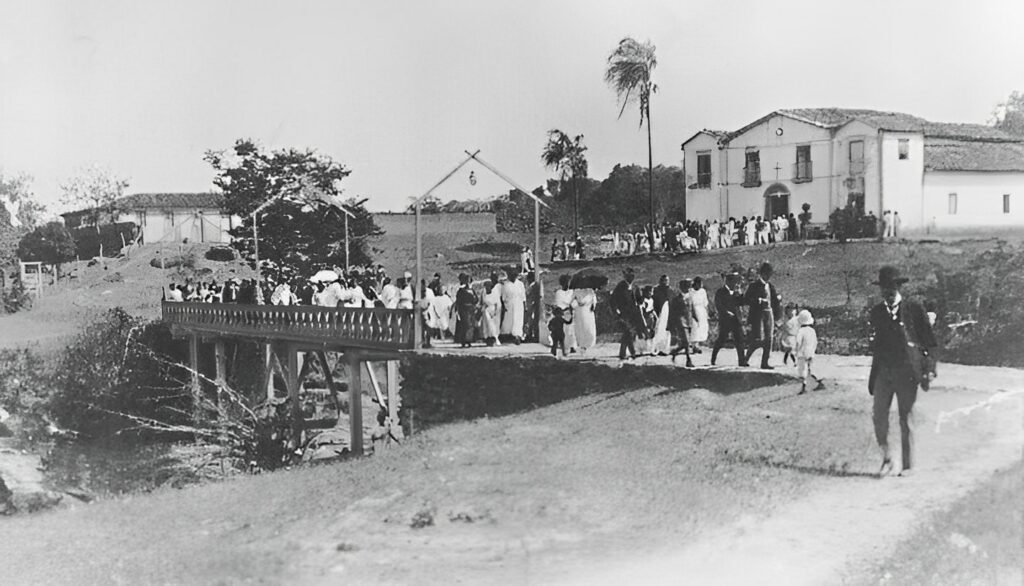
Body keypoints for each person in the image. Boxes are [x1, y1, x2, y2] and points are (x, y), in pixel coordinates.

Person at [868, 266, 937, 477]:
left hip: (906, 373)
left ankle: (907, 466)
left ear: (898, 287)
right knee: (879, 416)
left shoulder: (913, 309)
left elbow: (929, 341)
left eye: (891, 287)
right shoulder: (877, 312)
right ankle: (887, 458)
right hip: (883, 372)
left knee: (905, 418)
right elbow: (876, 343)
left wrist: (929, 369)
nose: (887, 291)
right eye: (884, 288)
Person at [744, 262, 782, 369]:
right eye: (767, 274)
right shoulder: (754, 286)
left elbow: (775, 302)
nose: (769, 276)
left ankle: (764, 362)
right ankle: (746, 358)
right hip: (758, 315)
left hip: (769, 314)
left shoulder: (770, 286)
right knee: (758, 339)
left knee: (769, 339)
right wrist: (759, 300)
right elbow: (746, 299)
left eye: (770, 274)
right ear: (762, 274)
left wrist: (778, 312)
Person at [711, 273, 748, 366]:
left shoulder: (736, 292)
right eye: (733, 282)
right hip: (725, 320)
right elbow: (718, 305)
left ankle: (742, 361)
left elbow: (742, 302)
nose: (735, 284)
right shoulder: (720, 292)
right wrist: (726, 312)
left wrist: (740, 294)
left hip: (736, 320)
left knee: (740, 339)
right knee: (721, 339)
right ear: (728, 282)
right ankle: (713, 358)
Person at [610, 268, 642, 360]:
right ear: (625, 277)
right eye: (629, 276)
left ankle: (627, 353)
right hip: (623, 313)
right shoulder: (620, 287)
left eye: (632, 276)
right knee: (628, 332)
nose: (631, 278)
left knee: (629, 333)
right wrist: (615, 310)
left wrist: (640, 303)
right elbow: (613, 300)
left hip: (633, 314)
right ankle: (630, 353)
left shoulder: (635, 287)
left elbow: (640, 299)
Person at [793, 309, 825, 394]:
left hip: (802, 353)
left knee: (802, 370)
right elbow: (815, 341)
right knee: (811, 369)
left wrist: (795, 351)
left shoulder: (801, 331)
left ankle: (804, 387)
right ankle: (819, 382)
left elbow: (798, 342)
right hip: (810, 352)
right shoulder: (812, 331)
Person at [668, 279, 694, 367]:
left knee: (685, 343)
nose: (688, 288)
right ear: (681, 288)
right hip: (680, 321)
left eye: (688, 287)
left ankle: (675, 352)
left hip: (688, 321)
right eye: (686, 287)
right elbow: (673, 312)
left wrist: (694, 319)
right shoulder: (676, 299)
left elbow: (691, 310)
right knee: (686, 342)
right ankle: (688, 360)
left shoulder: (690, 297)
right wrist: (673, 324)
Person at [650, 275, 673, 356]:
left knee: (667, 331)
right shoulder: (656, 290)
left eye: (667, 280)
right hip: (658, 312)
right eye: (664, 280)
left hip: (667, 313)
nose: (666, 282)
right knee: (657, 330)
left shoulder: (670, 290)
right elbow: (653, 301)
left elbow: (672, 302)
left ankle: (664, 349)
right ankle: (655, 349)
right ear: (660, 281)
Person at [500, 271, 526, 344]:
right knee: (509, 320)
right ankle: (507, 335)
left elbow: (523, 297)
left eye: (515, 275)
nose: (513, 276)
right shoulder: (506, 285)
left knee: (518, 320)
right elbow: (503, 297)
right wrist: (504, 306)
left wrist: (525, 306)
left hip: (519, 304)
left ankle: (517, 336)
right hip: (509, 304)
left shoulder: (520, 284)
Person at [554, 274, 578, 352]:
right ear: (562, 283)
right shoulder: (559, 292)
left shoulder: (572, 292)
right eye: (566, 282)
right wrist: (566, 308)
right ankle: (564, 345)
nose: (567, 284)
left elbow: (574, 302)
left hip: (571, 312)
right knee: (564, 330)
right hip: (562, 313)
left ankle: (572, 346)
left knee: (571, 330)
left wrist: (571, 307)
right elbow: (559, 304)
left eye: (568, 282)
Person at [453, 273, 478, 348]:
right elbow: (459, 301)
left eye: (469, 281)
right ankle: (463, 341)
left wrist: (473, 301)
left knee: (471, 325)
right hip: (464, 309)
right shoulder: (461, 290)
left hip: (471, 310)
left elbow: (476, 299)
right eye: (467, 281)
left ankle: (469, 341)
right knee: (465, 325)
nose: (468, 282)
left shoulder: (472, 290)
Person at [572, 283, 598, 353]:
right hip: (580, 310)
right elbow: (572, 300)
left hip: (587, 311)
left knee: (587, 326)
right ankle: (582, 343)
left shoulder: (590, 291)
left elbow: (594, 303)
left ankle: (587, 343)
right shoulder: (577, 291)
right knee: (581, 326)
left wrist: (591, 307)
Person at [689, 277, 710, 352]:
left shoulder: (703, 291)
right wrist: (693, 313)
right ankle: (694, 346)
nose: (701, 285)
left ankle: (697, 345)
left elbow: (705, 303)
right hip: (694, 309)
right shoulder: (690, 291)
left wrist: (707, 313)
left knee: (701, 328)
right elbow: (690, 304)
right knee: (695, 327)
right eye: (699, 283)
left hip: (702, 310)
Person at [480, 281, 502, 346]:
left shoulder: (494, 294)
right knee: (487, 324)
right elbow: (482, 302)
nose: (487, 288)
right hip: (486, 310)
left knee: (492, 325)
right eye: (486, 286)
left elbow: (496, 304)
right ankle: (488, 338)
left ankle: (494, 338)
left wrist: (495, 312)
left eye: (488, 286)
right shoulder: (483, 293)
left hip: (493, 310)